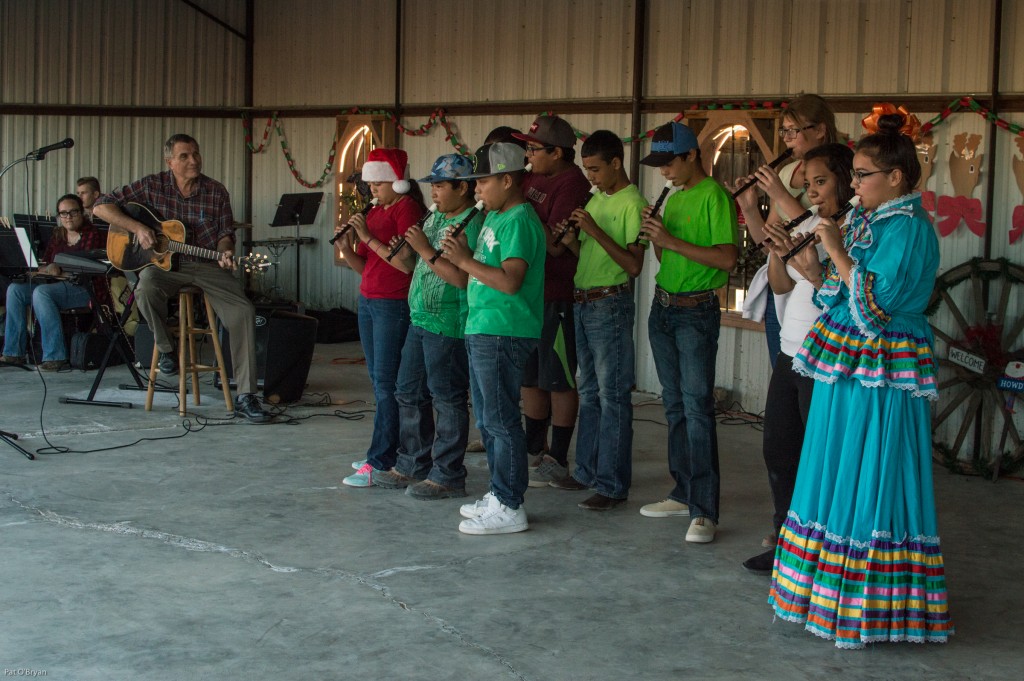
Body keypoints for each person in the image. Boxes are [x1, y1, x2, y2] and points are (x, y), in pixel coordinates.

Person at [768, 112, 953, 647]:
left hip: (884, 367)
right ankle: (829, 595)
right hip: (851, 363)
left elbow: (875, 307)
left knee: (871, 469)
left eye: (865, 174)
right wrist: (814, 266)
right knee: (834, 463)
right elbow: (838, 296)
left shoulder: (910, 228)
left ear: (896, 177)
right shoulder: (870, 220)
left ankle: (869, 606)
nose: (855, 184)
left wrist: (832, 251)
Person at [93, 133, 270, 423]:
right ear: (170, 162)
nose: (193, 160)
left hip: (207, 265)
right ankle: (166, 348)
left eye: (196, 154)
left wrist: (225, 252)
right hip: (165, 267)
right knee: (145, 287)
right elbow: (101, 206)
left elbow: (226, 235)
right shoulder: (152, 185)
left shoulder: (216, 191)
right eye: (185, 156)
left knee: (244, 312)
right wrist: (137, 227)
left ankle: (246, 395)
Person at [740, 143, 854, 574]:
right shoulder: (809, 222)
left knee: (818, 457)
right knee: (779, 451)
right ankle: (787, 542)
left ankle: (821, 549)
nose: (813, 193)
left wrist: (812, 265)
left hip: (824, 357)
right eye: (807, 186)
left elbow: (847, 291)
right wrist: (776, 250)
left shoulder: (852, 228)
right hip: (791, 352)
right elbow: (782, 288)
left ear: (847, 180)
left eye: (820, 182)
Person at [637, 122, 738, 544]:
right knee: (675, 405)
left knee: (697, 410)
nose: (663, 172)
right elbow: (665, 255)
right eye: (658, 164)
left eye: (669, 162)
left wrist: (671, 240)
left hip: (696, 311)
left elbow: (727, 259)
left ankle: (704, 510)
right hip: (664, 307)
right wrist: (657, 235)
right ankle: (683, 491)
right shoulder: (673, 198)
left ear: (691, 155)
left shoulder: (714, 196)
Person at [440, 142, 545, 535]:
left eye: (482, 181)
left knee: (500, 420)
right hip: (484, 326)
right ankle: (499, 494)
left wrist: (464, 259)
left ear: (506, 179)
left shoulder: (518, 220)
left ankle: (510, 504)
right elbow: (482, 272)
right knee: (487, 418)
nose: (477, 190)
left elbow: (511, 280)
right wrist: (462, 253)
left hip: (505, 328)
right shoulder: (495, 217)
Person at [373, 154, 484, 499]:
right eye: (431, 185)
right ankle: (412, 464)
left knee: (447, 398)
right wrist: (406, 252)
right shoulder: (435, 216)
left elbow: (462, 279)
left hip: (448, 321)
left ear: (462, 188)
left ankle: (448, 474)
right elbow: (412, 264)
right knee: (408, 392)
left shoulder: (471, 222)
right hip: (420, 317)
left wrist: (423, 248)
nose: (433, 192)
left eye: (439, 185)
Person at [555, 130, 646, 510]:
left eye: (595, 169)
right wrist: (573, 238)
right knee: (588, 391)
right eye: (586, 169)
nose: (590, 177)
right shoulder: (595, 199)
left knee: (612, 396)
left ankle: (612, 483)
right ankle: (586, 471)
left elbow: (632, 265)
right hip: (583, 299)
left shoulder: (633, 203)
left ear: (615, 163)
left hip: (610, 303)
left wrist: (594, 230)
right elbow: (586, 253)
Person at [336, 147, 425, 487]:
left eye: (378, 182)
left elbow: (405, 263)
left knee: (389, 384)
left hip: (394, 303)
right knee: (378, 380)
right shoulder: (373, 213)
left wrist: (368, 238)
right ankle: (385, 450)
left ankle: (381, 460)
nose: (371, 189)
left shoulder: (407, 209)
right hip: (370, 300)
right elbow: (365, 266)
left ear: (396, 182)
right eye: (369, 183)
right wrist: (347, 247)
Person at [512, 116, 593, 486]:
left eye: (532, 148)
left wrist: (521, 207)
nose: (527, 155)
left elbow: (557, 246)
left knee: (558, 378)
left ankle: (557, 456)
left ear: (556, 152)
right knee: (530, 377)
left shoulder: (571, 183)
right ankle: (533, 447)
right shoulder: (531, 179)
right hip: (527, 295)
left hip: (556, 294)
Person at [736, 94, 838, 369]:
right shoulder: (787, 171)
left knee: (810, 380)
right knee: (782, 371)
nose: (787, 139)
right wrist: (749, 208)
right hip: (780, 285)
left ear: (819, 130)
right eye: (784, 131)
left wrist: (779, 195)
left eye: (794, 130)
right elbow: (766, 241)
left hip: (816, 288)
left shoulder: (837, 171)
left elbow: (825, 231)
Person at [2, 194, 107, 371]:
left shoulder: (92, 234)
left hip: (84, 288)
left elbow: (86, 266)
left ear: (82, 213)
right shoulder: (58, 235)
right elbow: (49, 262)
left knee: (41, 293)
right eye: (63, 213)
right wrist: (46, 268)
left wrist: (59, 267)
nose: (68, 217)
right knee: (15, 290)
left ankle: (55, 356)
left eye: (73, 212)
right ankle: (13, 353)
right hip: (57, 285)